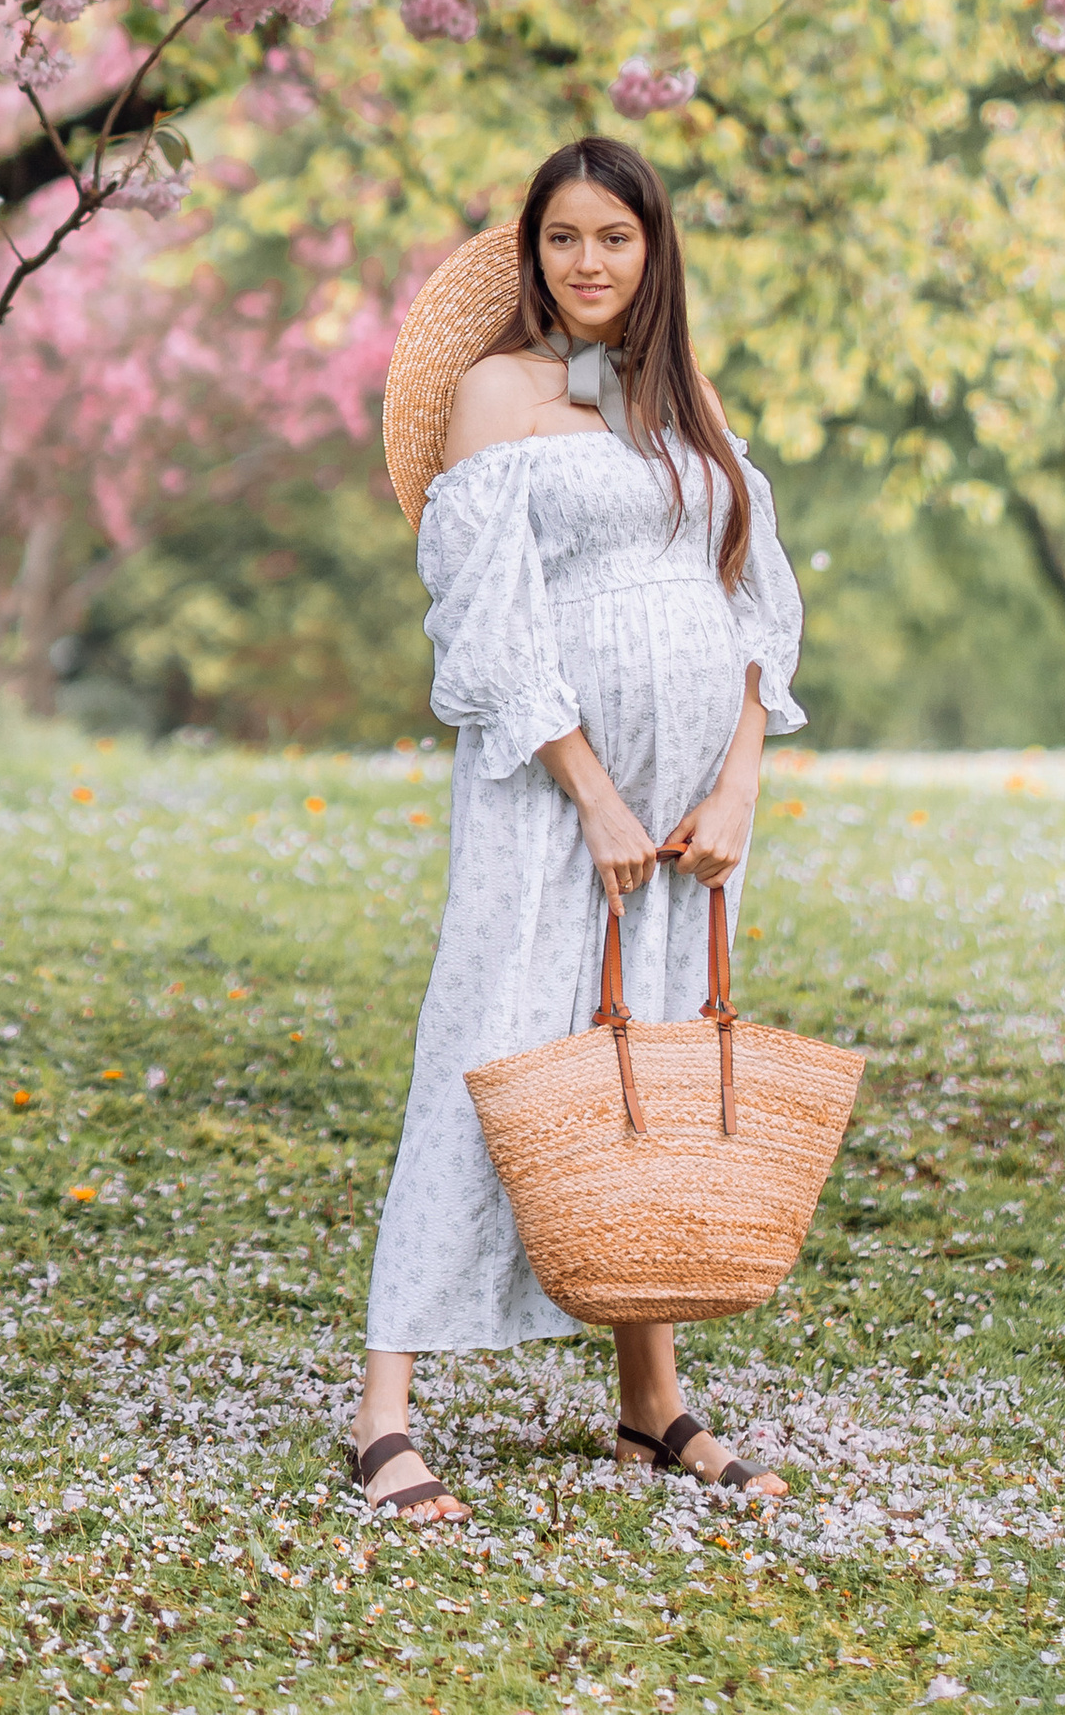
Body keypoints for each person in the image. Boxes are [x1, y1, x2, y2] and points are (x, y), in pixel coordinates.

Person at [349, 137, 806, 1523]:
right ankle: (383, 1415)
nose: (588, 261)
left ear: (653, 248)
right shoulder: (499, 391)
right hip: (550, 790)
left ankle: (651, 1403)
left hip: (687, 810)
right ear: (532, 252)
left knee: (645, 1065)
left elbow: (753, 604)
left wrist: (738, 784)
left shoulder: (687, 404)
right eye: (563, 238)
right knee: (488, 1042)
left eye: (614, 236)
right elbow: (486, 619)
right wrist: (593, 792)